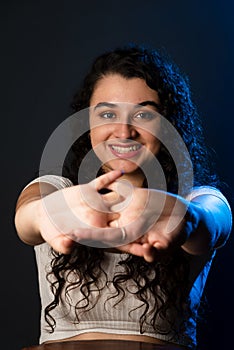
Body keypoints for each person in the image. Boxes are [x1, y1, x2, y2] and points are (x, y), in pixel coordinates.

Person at [14, 44, 232, 349]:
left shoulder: (198, 198)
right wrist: (46, 213)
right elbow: (26, 217)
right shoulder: (56, 189)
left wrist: (182, 217)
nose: (124, 130)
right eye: (106, 113)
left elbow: (213, 220)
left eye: (144, 114)